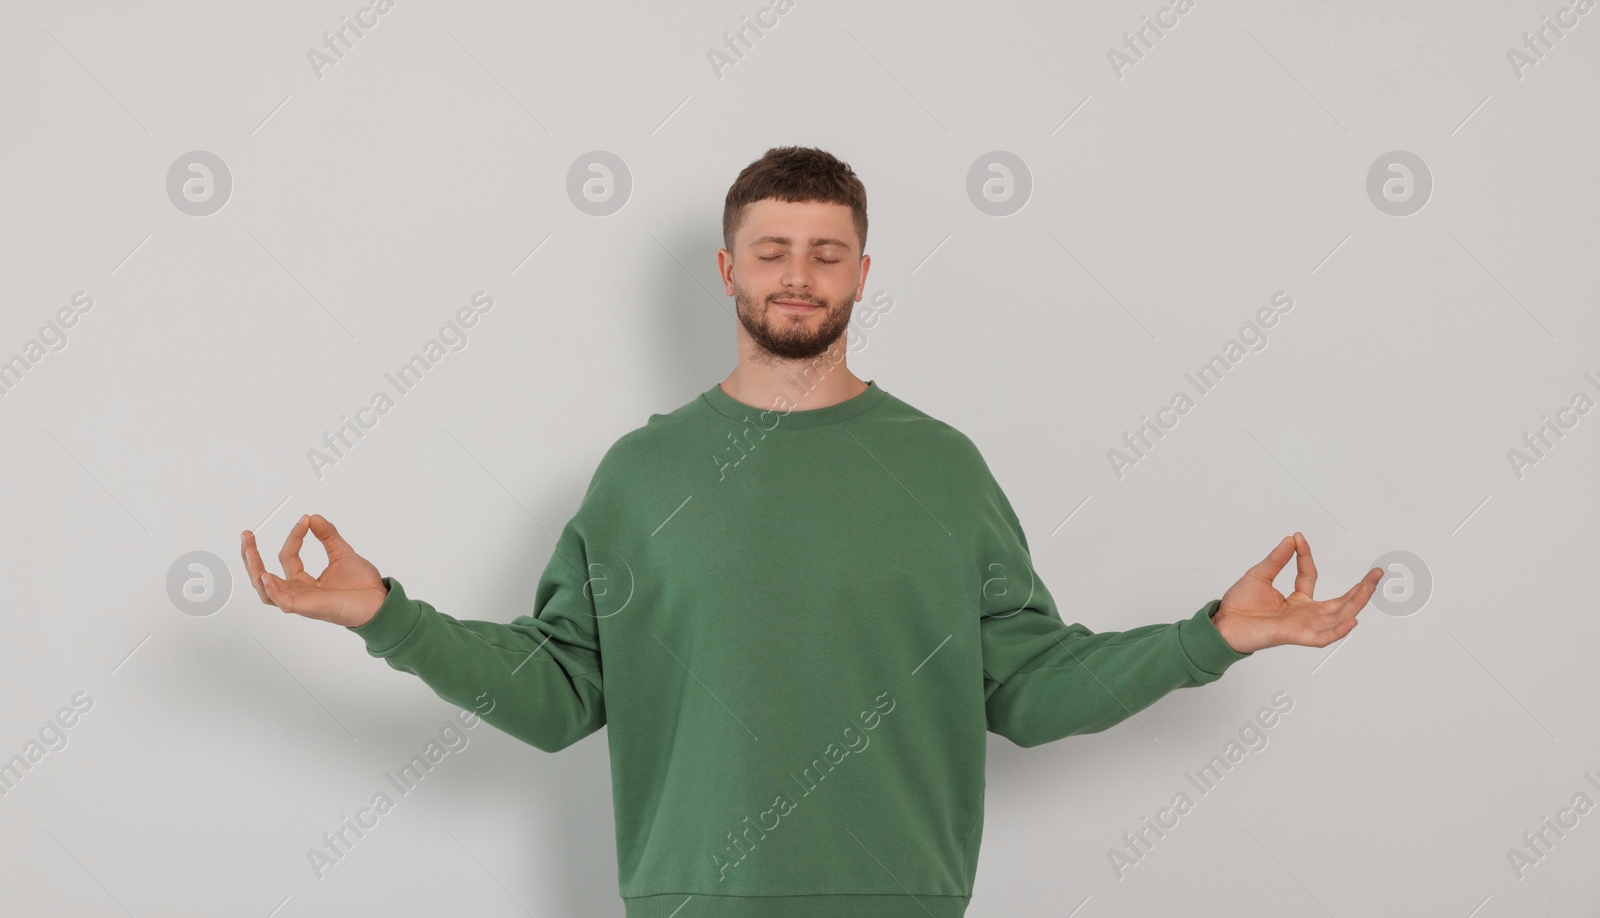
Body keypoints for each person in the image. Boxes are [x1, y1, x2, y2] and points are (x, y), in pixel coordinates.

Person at [241, 145, 1383, 916]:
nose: (799, 275)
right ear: (730, 267)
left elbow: (1029, 688)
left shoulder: (940, 468)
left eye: (826, 251)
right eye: (775, 250)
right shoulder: (641, 476)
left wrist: (1213, 636)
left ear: (862, 271)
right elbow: (556, 695)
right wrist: (385, 615)